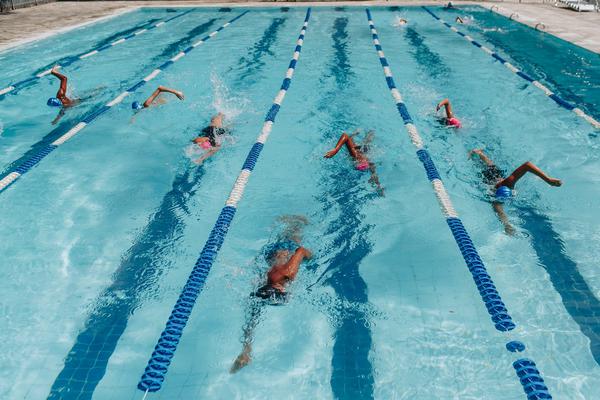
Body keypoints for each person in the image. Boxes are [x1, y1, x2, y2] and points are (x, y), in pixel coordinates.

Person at [230, 215, 312, 373]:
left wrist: (310, 258)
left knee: (253, 312)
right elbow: (300, 251)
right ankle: (246, 351)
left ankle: (247, 350)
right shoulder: (272, 279)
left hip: (283, 248)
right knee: (254, 307)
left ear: (280, 289)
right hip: (270, 255)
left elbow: (301, 250)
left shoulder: (287, 273)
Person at [468, 148, 562, 235]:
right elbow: (500, 212)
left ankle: (478, 153)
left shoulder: (508, 183)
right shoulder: (496, 198)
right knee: (486, 166)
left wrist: (548, 180)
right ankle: (477, 153)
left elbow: (527, 165)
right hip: (489, 180)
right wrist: (507, 225)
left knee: (490, 166)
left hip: (494, 176)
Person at [324, 130, 384, 196]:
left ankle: (361, 132)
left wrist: (379, 187)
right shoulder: (356, 155)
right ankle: (357, 133)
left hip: (361, 159)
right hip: (359, 157)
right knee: (355, 141)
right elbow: (345, 135)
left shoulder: (366, 160)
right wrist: (336, 150)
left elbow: (374, 175)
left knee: (364, 144)